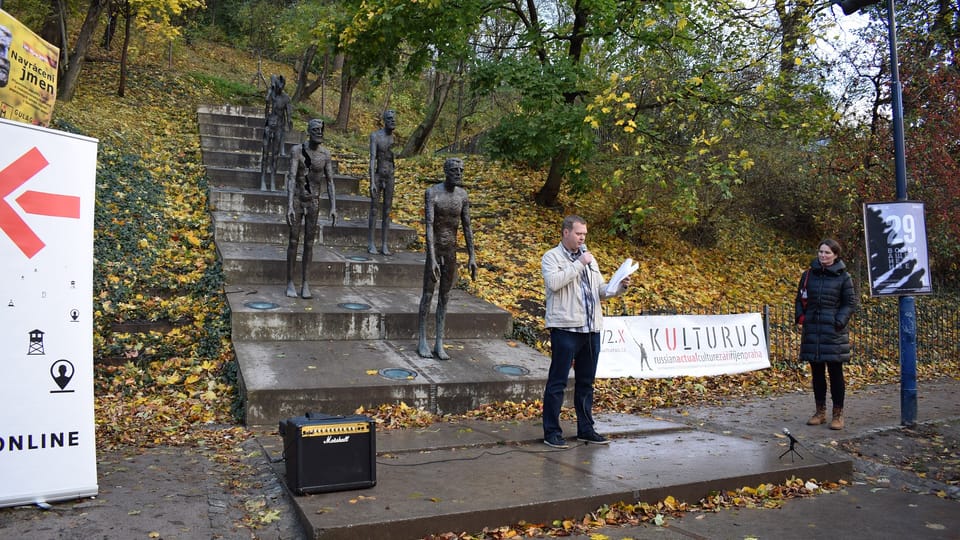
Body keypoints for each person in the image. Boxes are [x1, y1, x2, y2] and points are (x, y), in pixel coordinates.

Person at [541, 215, 630, 448]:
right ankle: (551, 432)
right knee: (558, 382)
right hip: (565, 328)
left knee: (586, 382)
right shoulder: (552, 257)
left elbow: (600, 290)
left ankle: (586, 429)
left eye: (585, 235)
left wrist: (618, 287)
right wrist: (579, 263)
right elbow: (554, 283)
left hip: (591, 329)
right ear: (566, 233)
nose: (582, 238)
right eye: (579, 233)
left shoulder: (590, 259)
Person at [417, 158, 478, 360]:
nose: (459, 173)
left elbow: (467, 226)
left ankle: (439, 342)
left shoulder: (463, 196)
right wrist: (432, 258)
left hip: (451, 251)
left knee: (445, 296)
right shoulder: (432, 193)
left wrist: (472, 256)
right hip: (435, 249)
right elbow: (428, 226)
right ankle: (422, 339)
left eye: (461, 170)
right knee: (428, 294)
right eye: (454, 170)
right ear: (446, 171)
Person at [795, 238, 858, 430]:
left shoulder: (844, 277)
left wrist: (839, 321)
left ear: (836, 255)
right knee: (817, 373)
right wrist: (801, 318)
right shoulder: (808, 275)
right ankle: (820, 412)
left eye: (827, 252)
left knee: (835, 373)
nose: (823, 255)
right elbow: (799, 299)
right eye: (821, 252)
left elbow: (850, 303)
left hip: (833, 332)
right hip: (813, 330)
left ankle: (837, 414)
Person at [285, 119, 337, 299]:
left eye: (321, 130)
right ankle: (290, 281)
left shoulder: (325, 154)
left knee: (309, 243)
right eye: (315, 130)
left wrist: (333, 206)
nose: (319, 133)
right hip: (299, 199)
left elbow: (330, 181)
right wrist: (290, 204)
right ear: (308, 131)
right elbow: (291, 177)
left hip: (314, 201)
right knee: (293, 241)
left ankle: (306, 282)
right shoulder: (297, 151)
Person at [367, 110, 397, 255]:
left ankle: (384, 244)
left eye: (394, 119)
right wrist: (372, 181)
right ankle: (371, 242)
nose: (393, 121)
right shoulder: (375, 136)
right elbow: (372, 159)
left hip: (390, 176)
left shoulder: (394, 139)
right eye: (390, 119)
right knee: (374, 209)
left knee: (387, 211)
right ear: (384, 120)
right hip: (378, 175)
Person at [260, 74, 292, 191]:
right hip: (269, 126)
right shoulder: (271, 95)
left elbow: (289, 114)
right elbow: (266, 107)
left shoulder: (286, 98)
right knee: (265, 154)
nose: (279, 90)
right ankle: (263, 179)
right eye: (277, 87)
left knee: (275, 156)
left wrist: (289, 122)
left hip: (279, 127)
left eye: (281, 88)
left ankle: (272, 180)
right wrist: (269, 93)